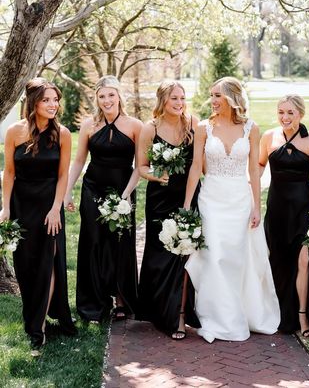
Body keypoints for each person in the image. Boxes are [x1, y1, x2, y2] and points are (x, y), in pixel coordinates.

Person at [184, 76, 280, 343]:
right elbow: (195, 168)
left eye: (218, 96)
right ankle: (218, 319)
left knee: (236, 259)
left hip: (239, 198)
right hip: (211, 198)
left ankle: (242, 313)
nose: (213, 101)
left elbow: (254, 170)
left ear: (232, 98)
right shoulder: (203, 127)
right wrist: (186, 205)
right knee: (214, 257)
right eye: (212, 95)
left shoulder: (251, 128)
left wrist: (256, 207)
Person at [0, 78, 76, 348]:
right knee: (25, 264)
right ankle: (32, 315)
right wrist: (6, 206)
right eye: (47, 100)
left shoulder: (63, 134)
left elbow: (63, 174)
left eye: (56, 100)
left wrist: (56, 208)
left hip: (49, 205)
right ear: (33, 103)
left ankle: (39, 325)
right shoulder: (14, 132)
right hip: (22, 204)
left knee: (48, 262)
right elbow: (9, 172)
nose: (53, 104)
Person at [64, 75, 142, 322]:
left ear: (119, 96)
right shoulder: (89, 125)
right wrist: (68, 192)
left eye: (111, 94)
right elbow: (79, 161)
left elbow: (141, 166)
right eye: (101, 96)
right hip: (93, 189)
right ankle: (94, 304)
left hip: (123, 190)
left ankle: (121, 299)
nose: (107, 100)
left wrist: (126, 197)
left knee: (120, 244)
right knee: (94, 243)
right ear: (96, 99)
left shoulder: (135, 126)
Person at [259, 95, 309, 337]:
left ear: (301, 114)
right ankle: (280, 314)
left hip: (304, 209)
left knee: (304, 261)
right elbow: (257, 168)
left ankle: (303, 316)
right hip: (277, 208)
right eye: (281, 112)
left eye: (290, 113)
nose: (285, 118)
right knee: (278, 261)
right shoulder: (268, 137)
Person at [136, 80, 200, 339]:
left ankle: (181, 315)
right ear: (163, 100)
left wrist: (188, 203)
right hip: (159, 199)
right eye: (174, 98)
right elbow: (141, 167)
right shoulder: (149, 128)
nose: (179, 103)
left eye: (182, 98)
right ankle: (160, 311)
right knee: (160, 255)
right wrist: (155, 176)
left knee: (184, 255)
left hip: (187, 195)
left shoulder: (192, 124)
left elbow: (198, 163)